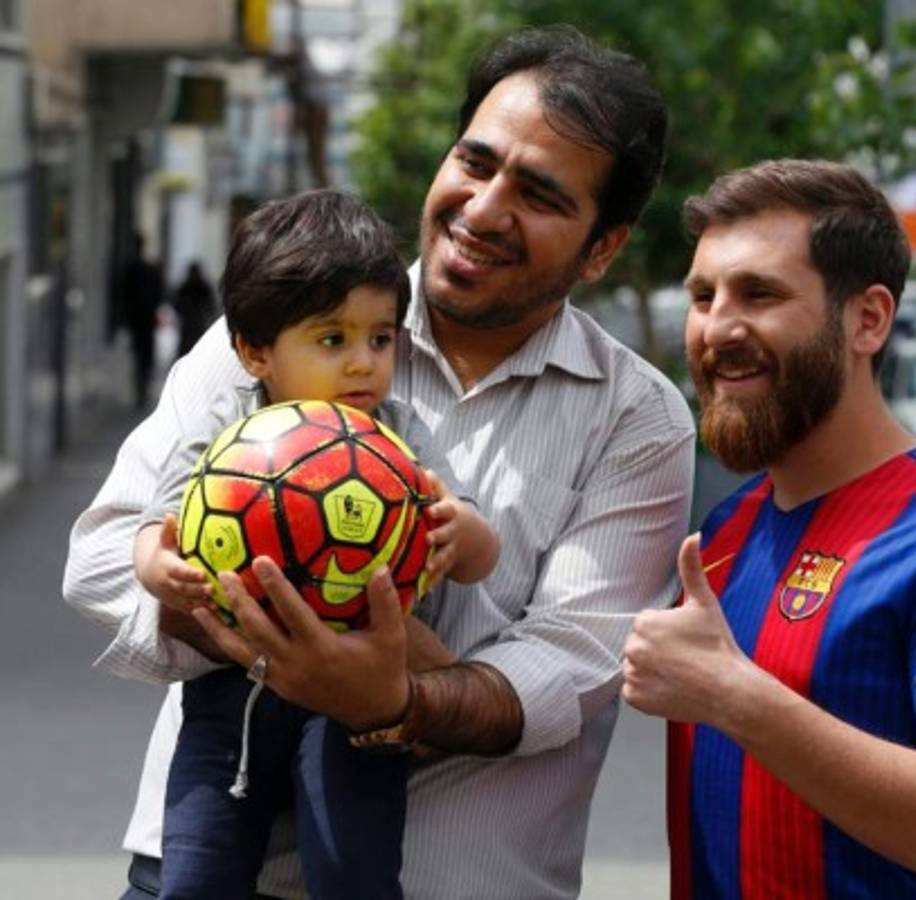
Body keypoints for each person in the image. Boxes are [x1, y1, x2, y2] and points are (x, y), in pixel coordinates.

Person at [63, 25, 694, 900]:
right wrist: (225, 615)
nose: (483, 208)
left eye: (540, 194)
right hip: (203, 868)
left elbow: (570, 666)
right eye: (475, 162)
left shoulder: (639, 418)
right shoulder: (277, 325)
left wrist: (391, 698)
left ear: (602, 248)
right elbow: (101, 556)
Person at [621, 159, 916, 899]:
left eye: (757, 294)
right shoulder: (729, 528)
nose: (716, 328)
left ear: (868, 319)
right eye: (703, 296)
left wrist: (736, 697)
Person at [132, 189, 498, 899]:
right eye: (333, 340)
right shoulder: (227, 426)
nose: (363, 363)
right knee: (196, 875)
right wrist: (160, 570)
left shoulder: (395, 435)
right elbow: (156, 531)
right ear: (253, 350)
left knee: (353, 874)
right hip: (228, 698)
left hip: (357, 702)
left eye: (380, 338)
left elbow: (480, 551)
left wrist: (464, 532)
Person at [122, 232, 165, 409]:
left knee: (140, 356)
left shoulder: (132, 269)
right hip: (145, 319)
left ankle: (141, 390)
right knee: (145, 356)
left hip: (139, 319)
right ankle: (142, 390)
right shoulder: (146, 269)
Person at [170, 260, 217, 359]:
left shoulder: (185, 288)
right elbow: (210, 306)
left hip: (188, 324)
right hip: (198, 323)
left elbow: (176, 305)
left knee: (186, 351)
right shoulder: (203, 287)